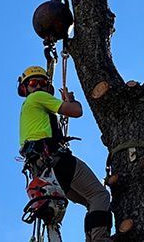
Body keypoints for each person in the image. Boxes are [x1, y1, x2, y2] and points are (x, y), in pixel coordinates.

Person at [18, 65, 112, 242]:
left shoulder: (28, 109)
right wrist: (70, 101)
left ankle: (93, 238)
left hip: (45, 169)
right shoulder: (38, 97)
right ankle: (100, 239)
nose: (37, 86)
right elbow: (76, 111)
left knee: (92, 202)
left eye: (42, 83)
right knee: (100, 195)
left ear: (47, 85)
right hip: (56, 160)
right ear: (25, 88)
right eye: (33, 83)